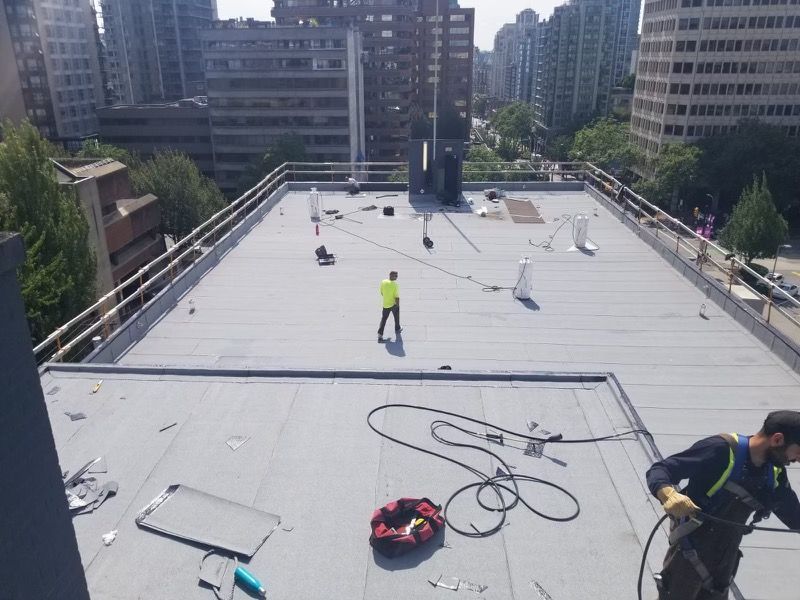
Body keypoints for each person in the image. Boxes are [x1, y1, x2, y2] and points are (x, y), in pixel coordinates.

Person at [646, 411, 800, 599]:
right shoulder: (721, 450)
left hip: (724, 563)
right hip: (688, 556)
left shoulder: (773, 473)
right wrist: (668, 494)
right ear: (777, 439)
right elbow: (662, 469)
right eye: (798, 451)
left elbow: (794, 515)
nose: (797, 459)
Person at [378, 271, 401, 341]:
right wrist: (397, 305)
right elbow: (397, 297)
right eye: (395, 276)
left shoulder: (383, 282)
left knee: (384, 319)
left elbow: (381, 292)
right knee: (396, 317)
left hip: (385, 304)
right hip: (393, 304)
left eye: (397, 276)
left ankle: (380, 335)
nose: (397, 277)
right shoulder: (395, 285)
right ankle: (397, 329)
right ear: (391, 275)